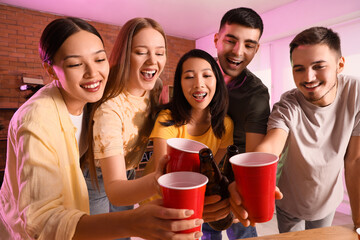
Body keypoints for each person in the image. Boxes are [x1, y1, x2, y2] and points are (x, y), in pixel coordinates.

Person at [0, 17, 203, 240]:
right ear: (49, 68)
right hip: (27, 228)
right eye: (76, 64)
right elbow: (41, 221)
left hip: (111, 175)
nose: (93, 73)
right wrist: (133, 220)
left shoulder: (112, 92)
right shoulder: (38, 119)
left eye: (99, 59)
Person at [235, 26, 360, 234]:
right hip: (289, 201)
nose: (308, 77)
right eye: (299, 68)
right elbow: (272, 144)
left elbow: (355, 160)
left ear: (340, 65)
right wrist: (252, 174)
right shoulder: (288, 104)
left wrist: (358, 223)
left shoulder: (355, 93)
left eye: (318, 66)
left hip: (327, 201)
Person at [84, 17, 167, 232]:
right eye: (141, 52)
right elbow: (116, 192)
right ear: (124, 55)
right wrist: (161, 181)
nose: (152, 61)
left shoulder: (155, 87)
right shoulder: (110, 109)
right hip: (96, 178)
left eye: (159, 53)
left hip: (128, 172)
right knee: (99, 234)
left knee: (123, 234)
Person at [207, 7, 270, 239]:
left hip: (237, 184)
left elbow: (254, 154)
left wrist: (248, 194)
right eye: (230, 40)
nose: (238, 52)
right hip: (199, 179)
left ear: (257, 48)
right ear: (216, 39)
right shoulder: (197, 73)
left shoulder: (257, 94)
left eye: (249, 45)